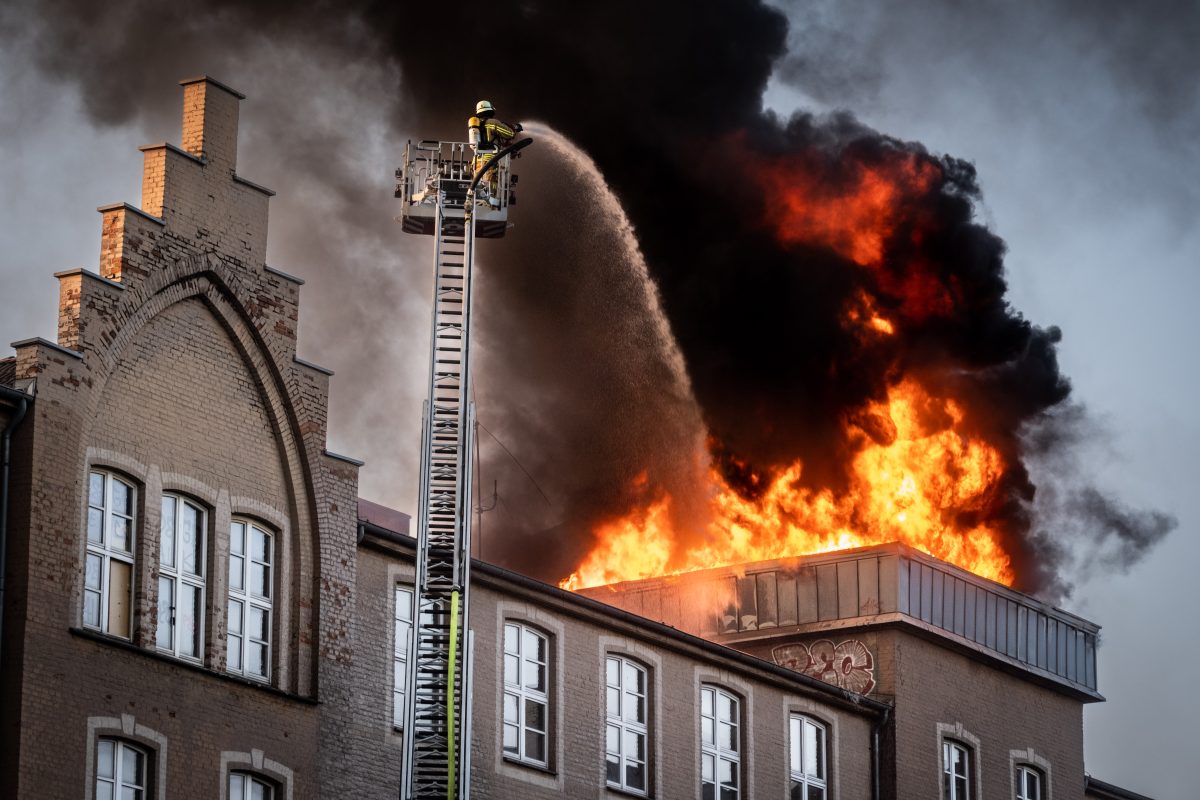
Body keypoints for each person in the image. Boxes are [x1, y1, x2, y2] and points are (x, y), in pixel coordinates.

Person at [468, 100, 521, 206]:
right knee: (492, 192)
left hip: (477, 162)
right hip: (490, 162)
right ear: (490, 110)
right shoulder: (492, 123)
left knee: (479, 189)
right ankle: (490, 206)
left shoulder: (476, 126)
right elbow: (509, 134)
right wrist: (514, 127)